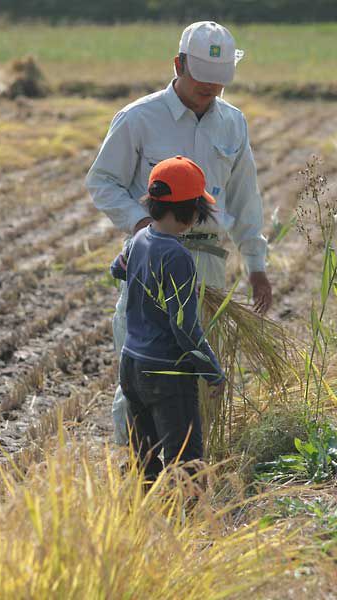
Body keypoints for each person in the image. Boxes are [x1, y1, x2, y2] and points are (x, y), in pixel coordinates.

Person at [86, 21, 272, 445]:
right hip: (151, 263)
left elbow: (246, 200)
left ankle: (190, 474)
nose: (210, 93)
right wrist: (143, 228)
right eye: (202, 83)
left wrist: (257, 265)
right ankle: (136, 474)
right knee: (143, 369)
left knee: (202, 370)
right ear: (178, 64)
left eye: (218, 86)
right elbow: (102, 182)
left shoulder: (232, 124)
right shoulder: (139, 118)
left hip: (208, 265)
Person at [111, 156, 225, 482]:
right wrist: (213, 372)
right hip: (167, 373)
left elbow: (116, 269)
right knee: (186, 465)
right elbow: (185, 327)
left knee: (143, 459)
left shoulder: (140, 238)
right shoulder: (178, 257)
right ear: (191, 212)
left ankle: (143, 520)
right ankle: (187, 527)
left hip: (131, 365)